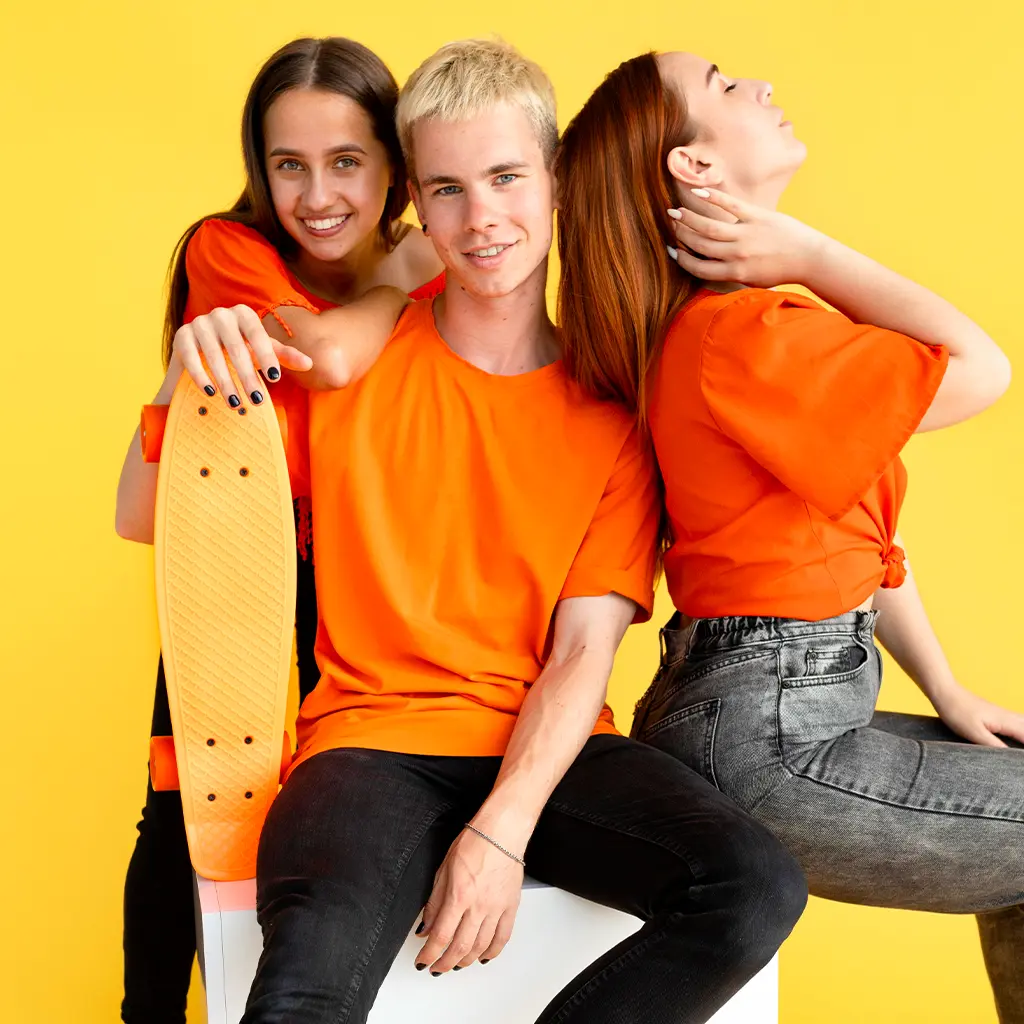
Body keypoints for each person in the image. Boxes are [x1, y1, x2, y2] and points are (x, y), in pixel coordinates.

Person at [118, 37, 806, 1024]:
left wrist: (499, 832)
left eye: (505, 177)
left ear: (557, 180)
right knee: (304, 988)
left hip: (549, 751)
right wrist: (190, 367)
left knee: (752, 886)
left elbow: (582, 653)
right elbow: (148, 515)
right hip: (365, 747)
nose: (480, 218)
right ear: (417, 205)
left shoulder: (615, 413)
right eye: (447, 189)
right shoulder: (342, 366)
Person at [555, 50, 1024, 1021]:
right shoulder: (743, 333)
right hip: (772, 735)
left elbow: (859, 536)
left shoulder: (726, 334)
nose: (760, 87)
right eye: (725, 85)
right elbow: (981, 369)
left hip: (759, 707)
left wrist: (947, 690)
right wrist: (810, 252)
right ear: (692, 166)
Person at [113, 36, 443, 1024]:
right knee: (191, 814)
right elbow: (322, 364)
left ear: (393, 164)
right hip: (248, 573)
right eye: (288, 164)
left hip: (385, 581)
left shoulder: (442, 256)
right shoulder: (231, 251)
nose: (318, 195)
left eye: (346, 161)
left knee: (338, 820)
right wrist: (398, 282)